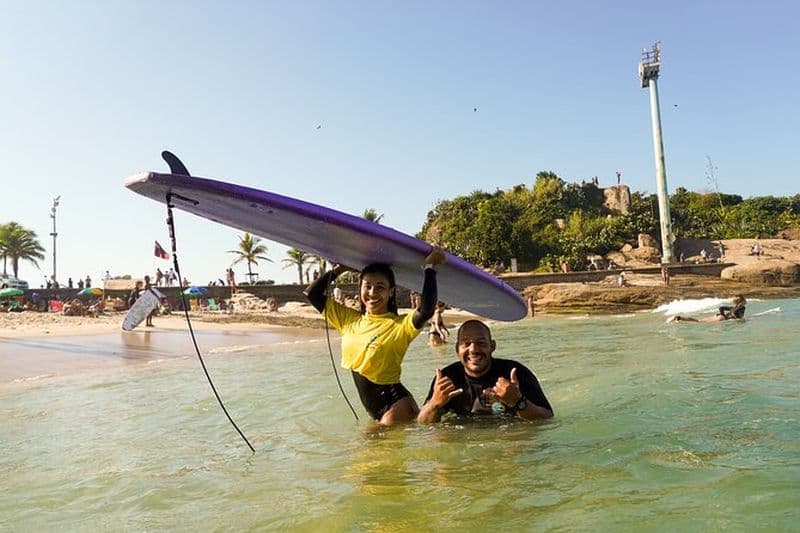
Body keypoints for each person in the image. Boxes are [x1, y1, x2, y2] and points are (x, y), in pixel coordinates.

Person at [305, 249, 445, 426]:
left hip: (396, 406)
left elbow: (425, 311)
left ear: (391, 292)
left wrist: (430, 268)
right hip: (378, 410)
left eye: (380, 287)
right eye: (368, 286)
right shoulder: (348, 319)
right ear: (360, 288)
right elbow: (312, 294)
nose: (372, 293)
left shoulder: (399, 325)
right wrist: (339, 270)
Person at [417, 320, 553, 423]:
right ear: (457, 348)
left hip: (507, 440)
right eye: (466, 343)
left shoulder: (515, 373)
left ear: (492, 346)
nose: (473, 349)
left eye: (481, 343)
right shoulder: (447, 378)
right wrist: (435, 403)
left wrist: (518, 401)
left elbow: (547, 419)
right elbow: (422, 424)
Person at [668, 295, 747, 323]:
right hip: (722, 318)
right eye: (744, 299)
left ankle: (678, 318)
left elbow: (721, 308)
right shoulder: (742, 307)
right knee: (698, 322)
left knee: (698, 321)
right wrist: (726, 317)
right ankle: (678, 317)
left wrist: (723, 315)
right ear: (742, 301)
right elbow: (737, 316)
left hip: (719, 316)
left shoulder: (733, 307)